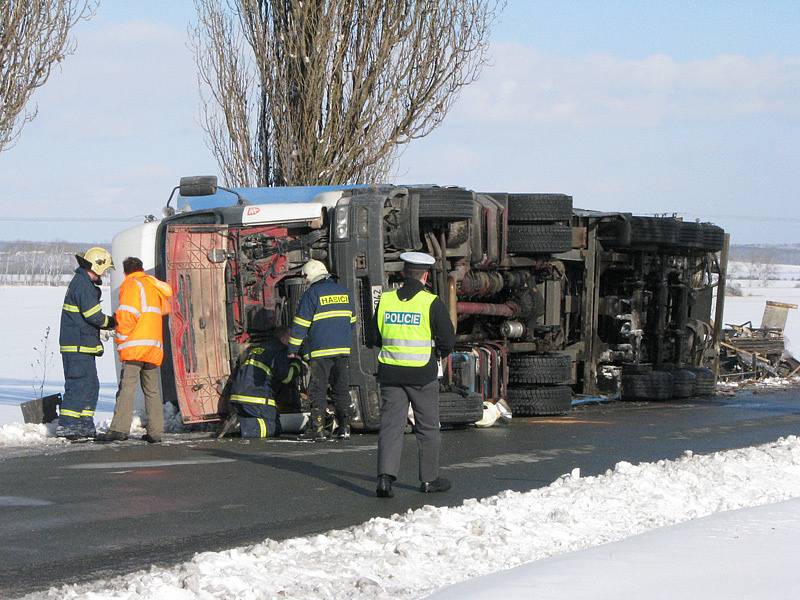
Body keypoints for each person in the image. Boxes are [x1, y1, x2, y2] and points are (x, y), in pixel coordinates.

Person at [373, 252, 455, 498]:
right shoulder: (431, 303)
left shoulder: (385, 301)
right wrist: (437, 352)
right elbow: (448, 340)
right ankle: (429, 479)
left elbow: (374, 338)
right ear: (426, 275)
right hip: (421, 375)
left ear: (404, 273)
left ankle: (385, 480)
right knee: (428, 427)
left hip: (390, 373)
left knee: (391, 426)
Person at [97, 257, 172, 443]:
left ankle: (119, 430)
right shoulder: (153, 286)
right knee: (152, 391)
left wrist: (118, 336)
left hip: (135, 347)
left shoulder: (131, 285)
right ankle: (155, 432)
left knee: (127, 388)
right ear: (142, 268)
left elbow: (128, 315)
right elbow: (162, 311)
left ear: (125, 272)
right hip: (153, 347)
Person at [287, 259, 356, 441]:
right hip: (342, 351)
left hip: (320, 352)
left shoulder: (312, 294)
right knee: (341, 389)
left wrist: (292, 349)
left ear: (310, 275)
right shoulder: (345, 292)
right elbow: (352, 322)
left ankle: (317, 429)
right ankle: (344, 428)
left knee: (318, 390)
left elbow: (301, 325)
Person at [57, 247, 117, 440]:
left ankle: (84, 424)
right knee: (79, 385)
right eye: (105, 269)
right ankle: (68, 425)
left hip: (83, 344)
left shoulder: (84, 283)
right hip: (77, 346)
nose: (106, 273)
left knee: (91, 385)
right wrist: (111, 322)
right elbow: (93, 315)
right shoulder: (83, 285)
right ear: (97, 266)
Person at [225, 327, 301, 438]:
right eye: (292, 339)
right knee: (273, 427)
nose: (293, 342)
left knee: (258, 418)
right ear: (284, 338)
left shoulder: (258, 348)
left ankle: (240, 422)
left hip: (237, 397)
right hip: (254, 398)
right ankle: (241, 427)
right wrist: (297, 364)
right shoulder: (279, 350)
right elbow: (287, 378)